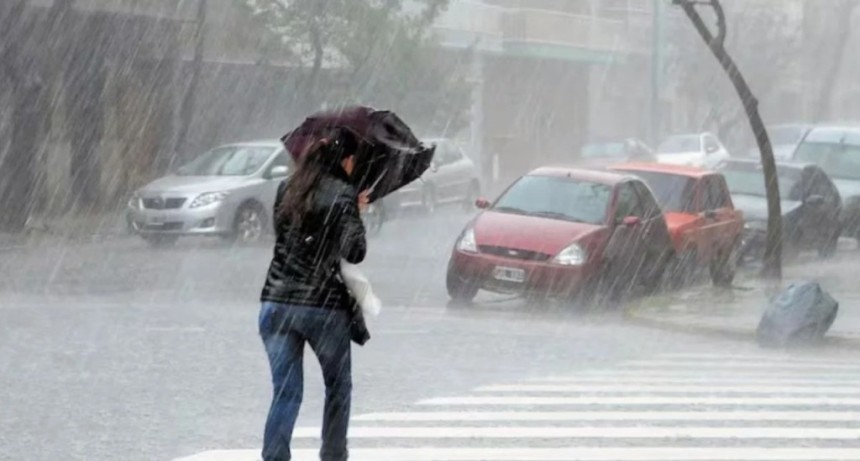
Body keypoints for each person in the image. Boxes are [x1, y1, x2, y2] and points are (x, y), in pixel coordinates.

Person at [258, 127, 368, 461]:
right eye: (353, 160)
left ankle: (275, 456)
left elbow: (285, 236)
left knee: (286, 392)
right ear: (346, 160)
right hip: (322, 307)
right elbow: (355, 251)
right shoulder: (343, 194)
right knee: (338, 386)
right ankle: (333, 454)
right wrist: (356, 214)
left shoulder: (286, 189)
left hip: (276, 302)